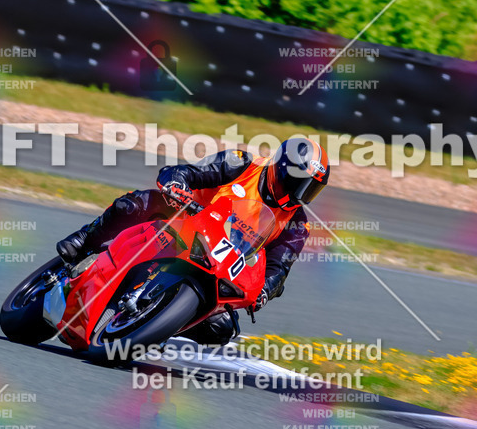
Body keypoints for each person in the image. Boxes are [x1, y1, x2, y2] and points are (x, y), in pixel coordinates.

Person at [56, 137, 330, 345]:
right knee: (135, 204)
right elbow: (188, 172)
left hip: (220, 265)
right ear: (280, 167)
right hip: (183, 222)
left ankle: (155, 324)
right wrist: (178, 184)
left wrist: (265, 291)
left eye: (310, 188)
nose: (300, 193)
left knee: (222, 328)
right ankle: (86, 240)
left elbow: (278, 268)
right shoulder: (241, 164)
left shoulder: (297, 224)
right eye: (298, 181)